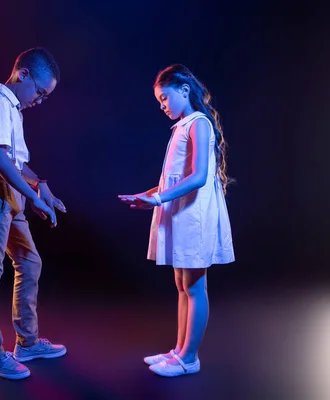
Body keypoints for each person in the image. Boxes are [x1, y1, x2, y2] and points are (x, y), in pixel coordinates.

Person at [118, 64, 235, 377]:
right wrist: (148, 194)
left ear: (184, 90)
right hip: (181, 211)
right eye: (159, 101)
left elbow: (198, 177)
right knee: (182, 284)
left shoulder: (199, 123)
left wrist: (158, 199)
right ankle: (179, 351)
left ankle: (189, 358)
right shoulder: (181, 126)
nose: (162, 105)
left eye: (165, 97)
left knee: (195, 286)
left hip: (195, 213)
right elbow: (174, 178)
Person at [0, 47, 67, 380]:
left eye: (45, 96)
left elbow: (18, 163)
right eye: (39, 91)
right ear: (23, 74)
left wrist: (41, 186)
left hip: (10, 190)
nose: (39, 99)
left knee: (29, 260)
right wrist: (33, 198)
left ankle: (27, 342)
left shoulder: (14, 110)